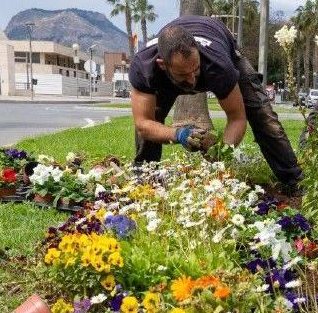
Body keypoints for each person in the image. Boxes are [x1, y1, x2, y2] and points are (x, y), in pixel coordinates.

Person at [128, 17, 303, 194]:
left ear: (198, 53)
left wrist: (219, 151)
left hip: (221, 43)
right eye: (183, 74)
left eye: (195, 69)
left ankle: (295, 180)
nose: (192, 79)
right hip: (167, 74)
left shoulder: (218, 64)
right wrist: (179, 134)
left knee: (262, 115)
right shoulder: (144, 67)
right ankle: (145, 182)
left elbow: (237, 118)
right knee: (152, 117)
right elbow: (143, 124)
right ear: (162, 65)